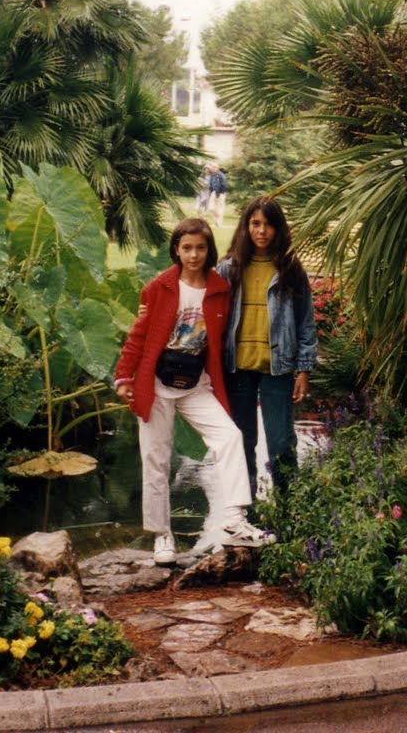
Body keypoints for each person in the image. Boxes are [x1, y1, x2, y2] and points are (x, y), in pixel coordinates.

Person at [112, 217, 271, 566]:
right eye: (186, 248)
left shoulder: (219, 288)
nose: (194, 254)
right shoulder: (160, 287)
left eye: (200, 247)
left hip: (196, 385)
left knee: (230, 437)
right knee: (157, 459)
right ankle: (162, 535)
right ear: (176, 250)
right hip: (156, 384)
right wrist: (124, 377)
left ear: (208, 249)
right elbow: (139, 334)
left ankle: (233, 520)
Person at [216, 196, 318, 500]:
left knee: (281, 442)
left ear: (279, 228)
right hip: (238, 370)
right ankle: (245, 510)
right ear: (246, 227)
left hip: (278, 368)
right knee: (241, 442)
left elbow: (306, 321)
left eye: (269, 224)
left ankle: (288, 508)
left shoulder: (289, 269)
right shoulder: (229, 269)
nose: (262, 231)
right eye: (256, 224)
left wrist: (304, 368)